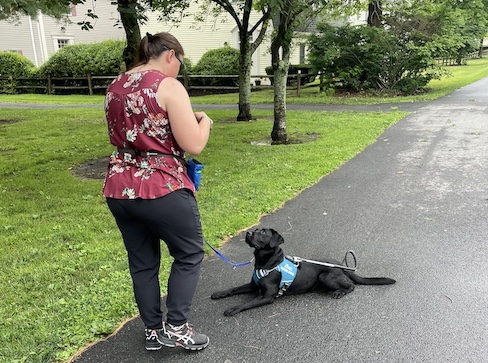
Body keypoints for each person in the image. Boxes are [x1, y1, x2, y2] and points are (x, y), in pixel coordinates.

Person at [103, 32, 212, 351]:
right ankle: (177, 328)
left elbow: (137, 130)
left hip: (119, 187)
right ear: (170, 56)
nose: (179, 68)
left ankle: (153, 332)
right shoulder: (168, 86)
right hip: (161, 185)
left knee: (142, 262)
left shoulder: (115, 85)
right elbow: (194, 143)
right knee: (190, 253)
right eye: (180, 62)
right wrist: (204, 121)